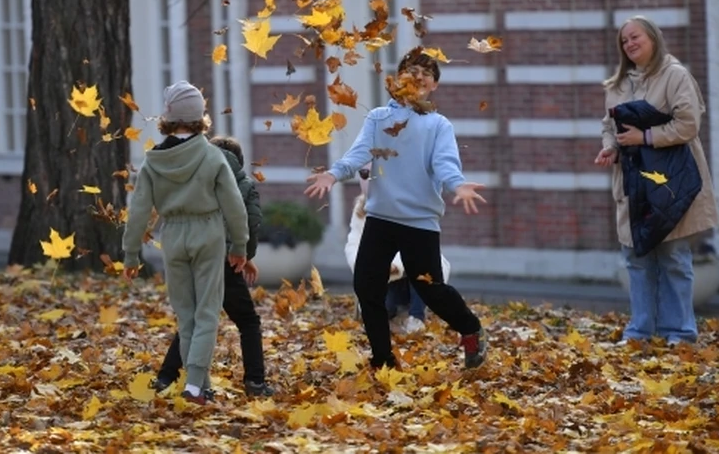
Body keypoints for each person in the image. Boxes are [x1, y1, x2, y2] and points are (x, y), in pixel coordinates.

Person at [305, 47, 488, 370]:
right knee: (366, 286)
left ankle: (471, 329)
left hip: (419, 223)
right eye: (410, 72)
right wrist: (333, 174)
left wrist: (457, 185)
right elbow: (358, 154)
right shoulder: (378, 118)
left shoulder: (438, 125)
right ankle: (383, 359)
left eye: (425, 75)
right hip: (380, 218)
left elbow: (444, 164)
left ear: (434, 86)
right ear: (396, 79)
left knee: (431, 290)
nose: (417, 79)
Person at [122, 81, 249, 404]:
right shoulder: (213, 157)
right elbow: (234, 205)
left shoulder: (154, 161)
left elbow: (138, 210)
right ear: (200, 118)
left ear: (168, 117)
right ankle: (194, 385)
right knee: (207, 311)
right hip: (208, 232)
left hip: (173, 235)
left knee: (187, 314)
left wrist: (131, 254)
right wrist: (239, 247)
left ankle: (199, 384)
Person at [595, 16, 718, 345]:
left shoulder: (676, 75)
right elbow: (610, 127)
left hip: (670, 183)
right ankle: (640, 332)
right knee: (637, 258)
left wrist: (645, 136)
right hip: (632, 185)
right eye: (624, 41)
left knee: (675, 257)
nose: (629, 44)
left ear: (653, 38)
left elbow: (688, 124)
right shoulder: (616, 85)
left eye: (635, 37)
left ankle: (680, 333)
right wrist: (611, 148)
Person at [153, 135, 275, 397]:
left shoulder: (196, 178)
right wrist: (244, 255)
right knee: (248, 322)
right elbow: (249, 222)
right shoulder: (243, 184)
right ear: (239, 162)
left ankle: (166, 377)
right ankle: (255, 381)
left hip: (194, 254)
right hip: (226, 260)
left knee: (193, 319)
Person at [345, 167, 453, 335]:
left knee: (421, 271)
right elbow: (354, 244)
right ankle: (389, 317)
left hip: (411, 275)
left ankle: (416, 318)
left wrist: (394, 264)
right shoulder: (362, 211)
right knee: (383, 305)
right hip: (385, 278)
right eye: (365, 175)